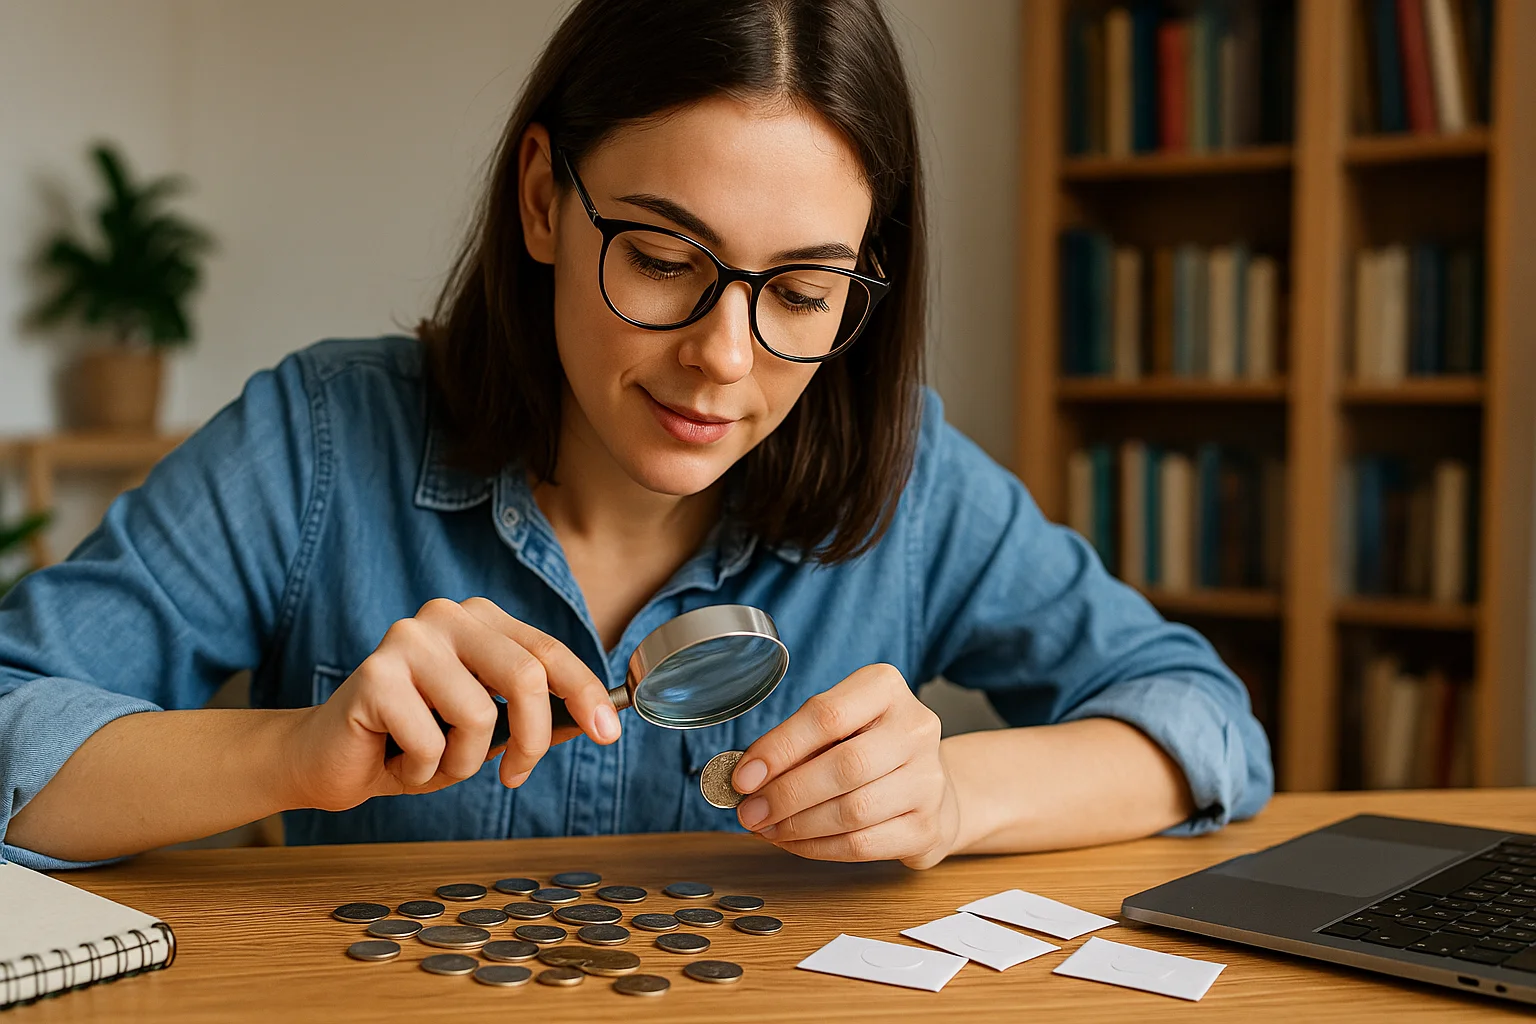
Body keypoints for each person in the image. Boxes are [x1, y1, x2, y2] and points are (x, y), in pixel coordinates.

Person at [0, 0, 1271, 872]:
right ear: (546, 198)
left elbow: (1201, 723)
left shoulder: (911, 477)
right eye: (664, 259)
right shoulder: (322, 438)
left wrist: (952, 798)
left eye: (803, 292)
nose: (726, 358)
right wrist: (294, 753)